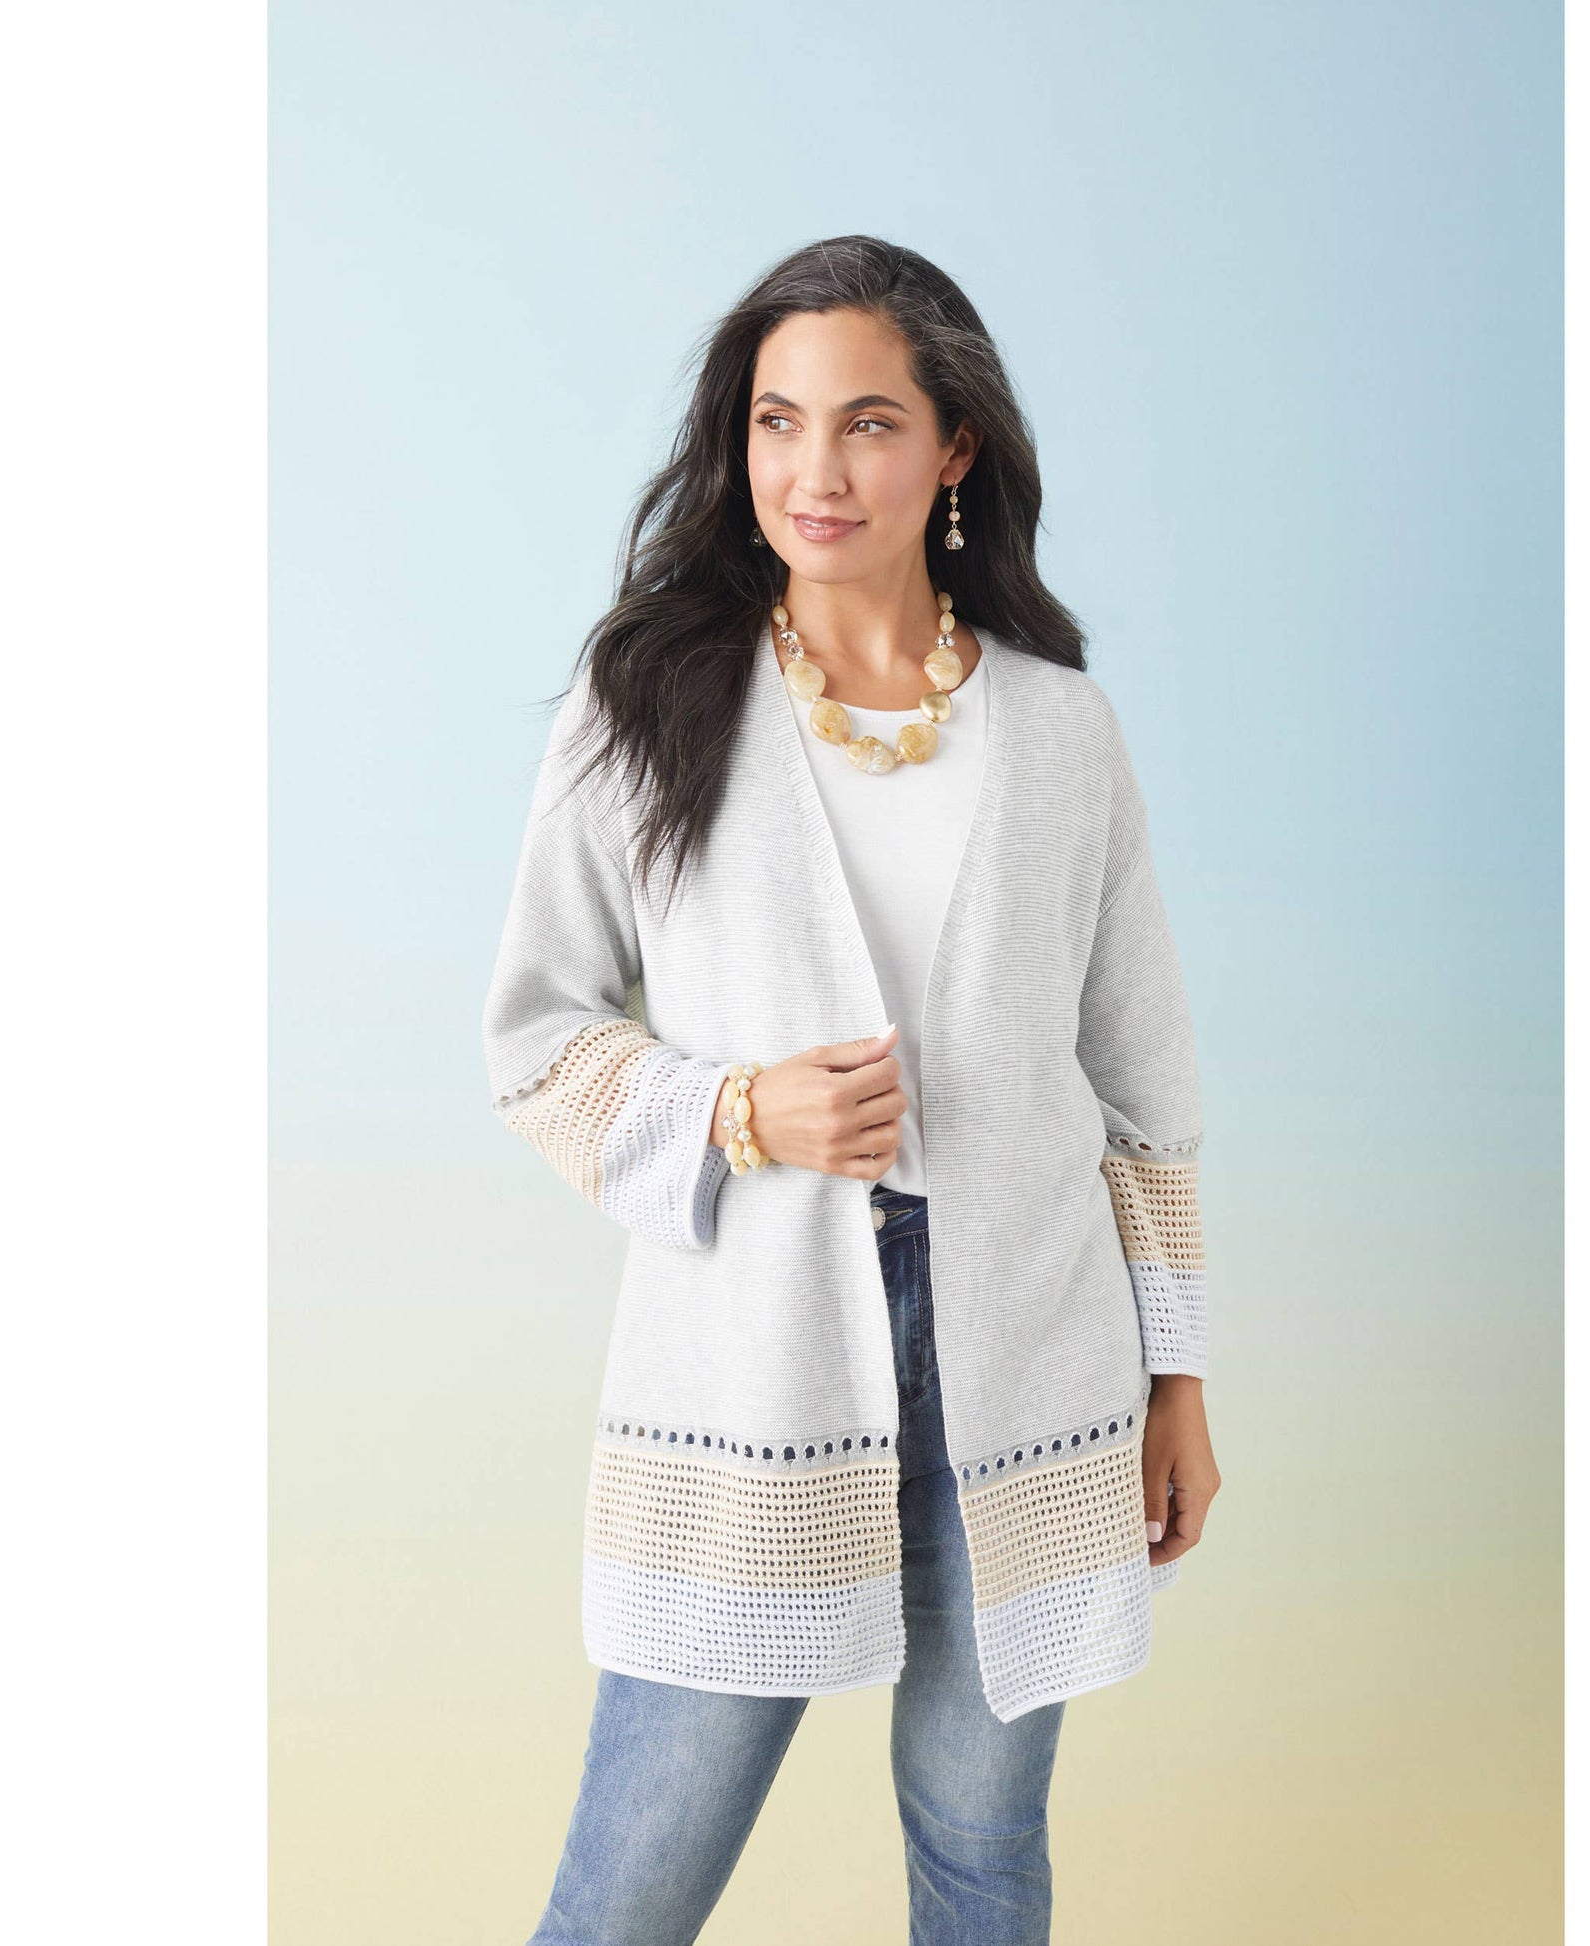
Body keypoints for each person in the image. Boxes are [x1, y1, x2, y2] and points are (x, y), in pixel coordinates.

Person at [483, 235, 1221, 1946]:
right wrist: (740, 1111)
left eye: (867, 422)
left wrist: (1177, 1376)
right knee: (629, 1882)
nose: (813, 471)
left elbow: (1141, 1085)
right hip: (758, 1351)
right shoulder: (647, 699)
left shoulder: (1062, 731)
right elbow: (534, 1035)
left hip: (1034, 1348)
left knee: (983, 1846)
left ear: (953, 446)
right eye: (777, 421)